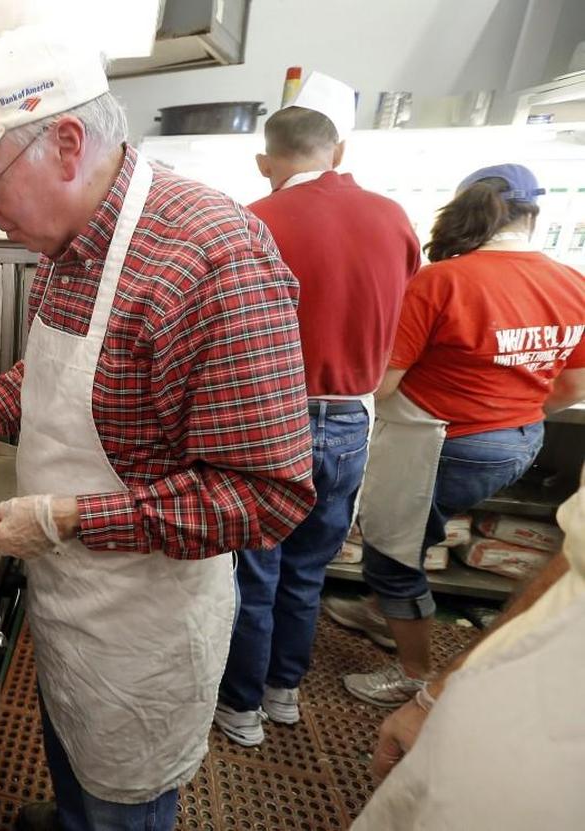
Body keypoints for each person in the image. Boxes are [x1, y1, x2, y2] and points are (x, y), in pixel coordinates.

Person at [0, 25, 315, 831]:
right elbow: (48, 380)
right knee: (73, 755)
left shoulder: (210, 255)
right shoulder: (65, 245)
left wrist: (67, 518)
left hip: (142, 626)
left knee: (125, 798)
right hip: (69, 600)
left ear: (67, 143)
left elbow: (265, 496)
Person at [324, 163, 585, 707]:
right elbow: (570, 385)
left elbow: (383, 383)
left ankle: (417, 677)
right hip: (520, 439)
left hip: (442, 442)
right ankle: (380, 613)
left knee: (393, 551)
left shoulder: (444, 280)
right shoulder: (572, 281)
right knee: (419, 532)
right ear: (534, 216)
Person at [213, 72, 420, 746]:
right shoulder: (394, 218)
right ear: (340, 148)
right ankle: (284, 694)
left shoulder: (252, 219)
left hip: (271, 422)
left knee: (255, 570)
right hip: (352, 421)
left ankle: (239, 710)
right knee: (307, 571)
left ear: (265, 160)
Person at [351, 468, 585, 828]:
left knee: (395, 559)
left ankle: (409, 665)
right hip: (521, 719)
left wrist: (434, 695)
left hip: (530, 754)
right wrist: (436, 694)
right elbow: (570, 562)